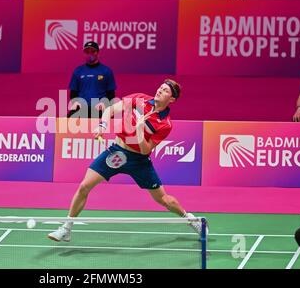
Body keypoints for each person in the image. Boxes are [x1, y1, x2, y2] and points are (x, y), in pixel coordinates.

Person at [48, 79, 207, 242]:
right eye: (160, 87)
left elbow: (146, 149)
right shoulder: (139, 99)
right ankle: (66, 228)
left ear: (172, 99)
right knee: (84, 186)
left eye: (165, 90)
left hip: (139, 161)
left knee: (163, 199)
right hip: (116, 152)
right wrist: (102, 126)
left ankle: (191, 219)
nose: (160, 90)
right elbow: (111, 109)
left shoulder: (165, 124)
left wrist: (139, 131)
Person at [68, 41, 116, 118]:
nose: (90, 54)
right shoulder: (78, 71)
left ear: (98, 53)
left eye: (93, 51)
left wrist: (105, 103)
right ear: (84, 53)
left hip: (100, 108)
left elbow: (111, 94)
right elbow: (73, 93)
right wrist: (76, 101)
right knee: (69, 119)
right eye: (87, 52)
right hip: (81, 107)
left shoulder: (106, 71)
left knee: (108, 119)